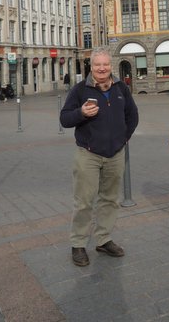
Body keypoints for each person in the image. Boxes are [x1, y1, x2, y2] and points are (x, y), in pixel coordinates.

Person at [60, 46, 139, 267]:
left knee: (110, 199)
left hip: (115, 154)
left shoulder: (121, 87)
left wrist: (123, 138)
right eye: (97, 65)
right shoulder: (79, 90)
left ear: (110, 65)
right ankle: (78, 244)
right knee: (84, 201)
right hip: (88, 154)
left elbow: (132, 116)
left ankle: (103, 239)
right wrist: (81, 113)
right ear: (91, 66)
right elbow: (65, 119)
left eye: (105, 64)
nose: (102, 68)